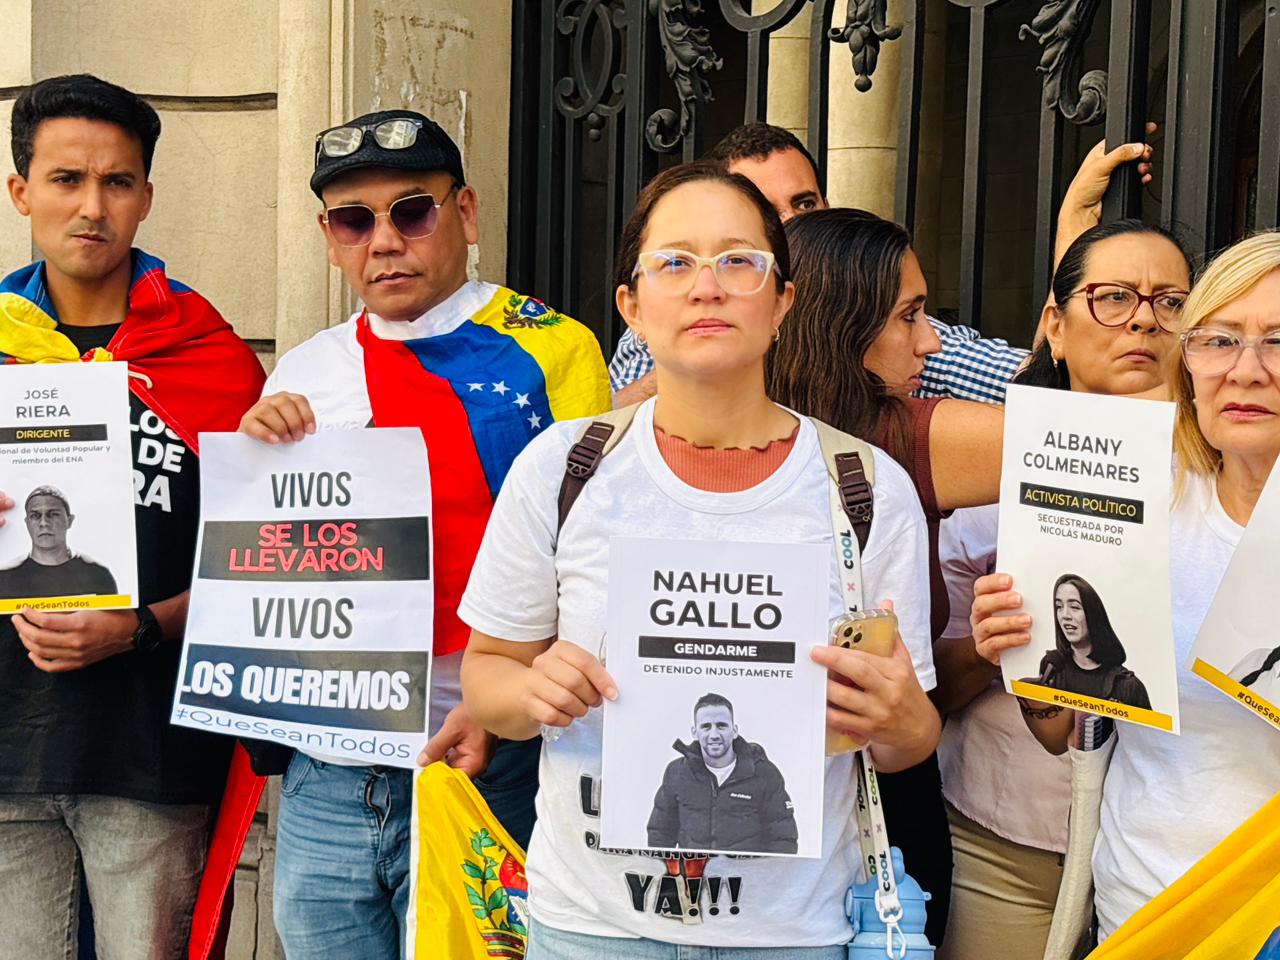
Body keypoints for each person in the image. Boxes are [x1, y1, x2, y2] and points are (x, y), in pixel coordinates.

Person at [460, 160, 939, 958]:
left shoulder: (863, 487)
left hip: (791, 934)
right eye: (675, 262)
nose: (707, 287)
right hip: (593, 930)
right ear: (632, 307)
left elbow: (904, 743)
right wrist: (531, 691)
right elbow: (488, 676)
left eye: (739, 261)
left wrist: (900, 718)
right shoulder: (563, 469)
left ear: (783, 300)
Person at [233, 108, 609, 960]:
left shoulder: (555, 350)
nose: (385, 241)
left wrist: (499, 704)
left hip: (492, 755)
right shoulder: (307, 368)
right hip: (331, 759)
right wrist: (253, 460)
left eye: (412, 211)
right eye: (353, 220)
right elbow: (268, 559)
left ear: (465, 213)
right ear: (330, 239)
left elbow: (592, 553)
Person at [0, 74, 265, 960]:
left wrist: (140, 628)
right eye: (66, 179)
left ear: (146, 197)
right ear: (21, 191)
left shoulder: (213, 361)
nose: (92, 206)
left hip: (151, 755)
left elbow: (261, 565)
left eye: (116, 182)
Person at [971, 231, 1280, 942]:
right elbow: (1060, 730)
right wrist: (1021, 652)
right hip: (1138, 905)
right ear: (1187, 360)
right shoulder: (1141, 504)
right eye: (1219, 340)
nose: (1247, 370)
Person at [933, 217, 1193, 960]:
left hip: (1174, 858)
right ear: (1055, 325)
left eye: (1171, 302)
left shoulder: (1232, 493)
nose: (1143, 319)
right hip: (1007, 847)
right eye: (1113, 297)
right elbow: (927, 694)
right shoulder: (986, 487)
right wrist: (991, 649)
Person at [646, 692, 798, 854]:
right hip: (693, 869)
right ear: (694, 732)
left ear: (734, 731)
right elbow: (660, 834)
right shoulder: (677, 773)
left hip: (748, 870)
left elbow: (783, 839)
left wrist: (763, 870)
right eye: (706, 727)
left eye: (721, 726)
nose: (714, 735)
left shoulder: (764, 774)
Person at [1023, 574, 1151, 709]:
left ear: (1093, 614)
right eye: (1059, 606)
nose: (1065, 615)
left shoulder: (1128, 686)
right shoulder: (1052, 668)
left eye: (1074, 607)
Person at [0, 486, 117, 597]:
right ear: (27, 523)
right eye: (35, 515)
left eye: (53, 514)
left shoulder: (98, 574)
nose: (44, 523)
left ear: (69, 521)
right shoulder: (4, 576)